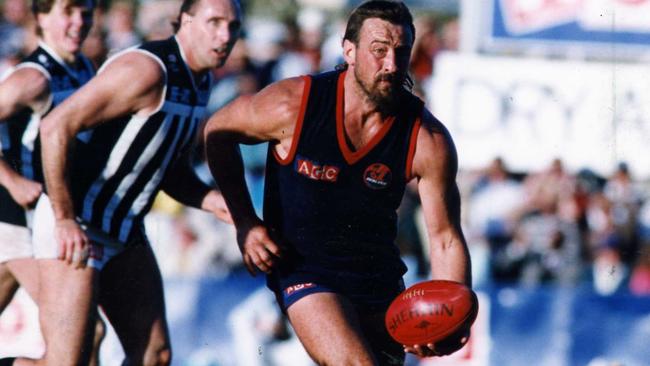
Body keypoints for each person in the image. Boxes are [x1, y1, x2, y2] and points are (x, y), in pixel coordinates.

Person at [204, 1, 472, 364]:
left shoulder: (427, 139)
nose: (391, 64)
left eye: (401, 51)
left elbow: (445, 239)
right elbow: (218, 131)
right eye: (379, 51)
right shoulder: (294, 104)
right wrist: (245, 222)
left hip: (377, 280)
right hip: (304, 269)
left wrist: (451, 316)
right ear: (349, 50)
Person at [9, 0, 240, 365]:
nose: (225, 36)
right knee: (67, 361)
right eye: (214, 23)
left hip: (125, 230)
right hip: (76, 223)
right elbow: (56, 127)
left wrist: (216, 203)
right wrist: (64, 218)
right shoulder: (147, 70)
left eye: (233, 26)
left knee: (154, 354)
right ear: (186, 21)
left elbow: (170, 170)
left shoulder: (202, 81)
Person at [0, 2, 102, 363]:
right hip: (13, 219)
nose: (79, 22)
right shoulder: (32, 78)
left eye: (86, 13)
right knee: (82, 337)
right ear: (41, 18)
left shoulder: (85, 69)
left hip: (38, 220)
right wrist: (10, 180)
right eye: (68, 12)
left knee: (84, 337)